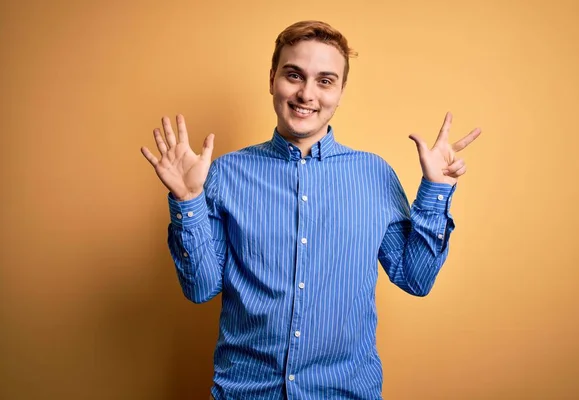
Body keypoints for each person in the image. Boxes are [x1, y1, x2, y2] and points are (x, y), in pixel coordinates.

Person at [141, 20, 481, 400]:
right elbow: (200, 288)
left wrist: (435, 191)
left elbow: (415, 279)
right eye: (293, 75)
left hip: (344, 393)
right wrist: (188, 201)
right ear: (272, 80)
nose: (306, 94)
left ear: (340, 91)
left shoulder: (374, 175)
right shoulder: (223, 174)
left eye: (325, 80)